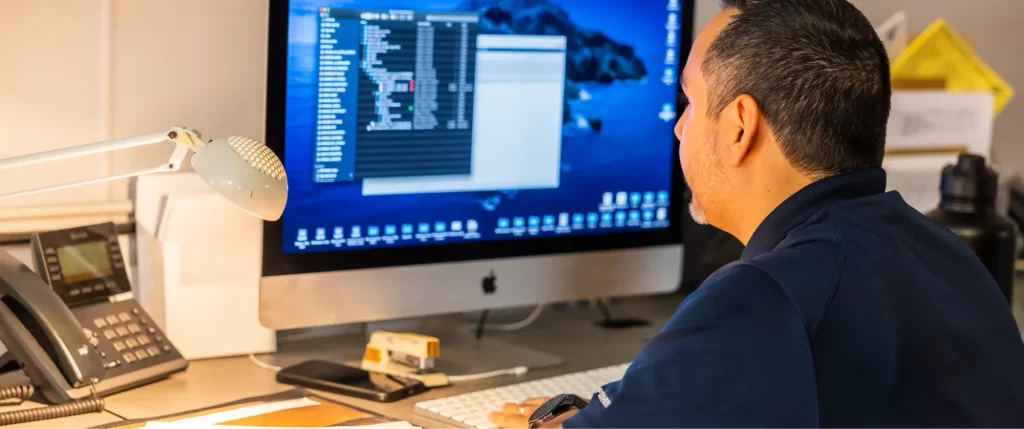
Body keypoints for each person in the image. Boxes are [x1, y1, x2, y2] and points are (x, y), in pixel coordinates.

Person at [488, 0, 1024, 427]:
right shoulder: (951, 256)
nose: (677, 127)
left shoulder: (764, 296)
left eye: (691, 104)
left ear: (740, 126)